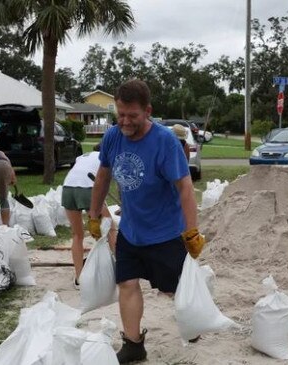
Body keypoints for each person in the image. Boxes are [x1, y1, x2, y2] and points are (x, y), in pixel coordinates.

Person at [87, 79, 205, 364]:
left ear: (148, 110)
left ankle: (194, 318)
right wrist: (93, 215)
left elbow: (185, 187)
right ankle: (133, 343)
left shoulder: (164, 141)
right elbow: (103, 177)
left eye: (133, 116)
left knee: (174, 289)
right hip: (131, 230)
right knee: (127, 284)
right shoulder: (113, 136)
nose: (125, 121)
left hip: (166, 233)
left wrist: (191, 231)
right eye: (121, 114)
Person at [62, 143, 117, 289]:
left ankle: (79, 279)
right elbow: (104, 183)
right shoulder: (105, 158)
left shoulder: (81, 157)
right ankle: (120, 267)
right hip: (87, 189)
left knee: (77, 235)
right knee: (110, 227)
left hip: (67, 189)